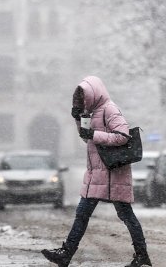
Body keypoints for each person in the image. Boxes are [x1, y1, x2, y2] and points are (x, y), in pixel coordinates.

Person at [41, 76, 151, 267]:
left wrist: (94, 134)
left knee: (125, 215)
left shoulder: (109, 109)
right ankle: (66, 253)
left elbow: (123, 136)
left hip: (113, 174)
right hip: (97, 174)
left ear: (94, 94)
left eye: (85, 97)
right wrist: (78, 120)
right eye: (80, 99)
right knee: (82, 214)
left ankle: (142, 255)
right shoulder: (92, 113)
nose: (83, 102)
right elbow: (88, 139)